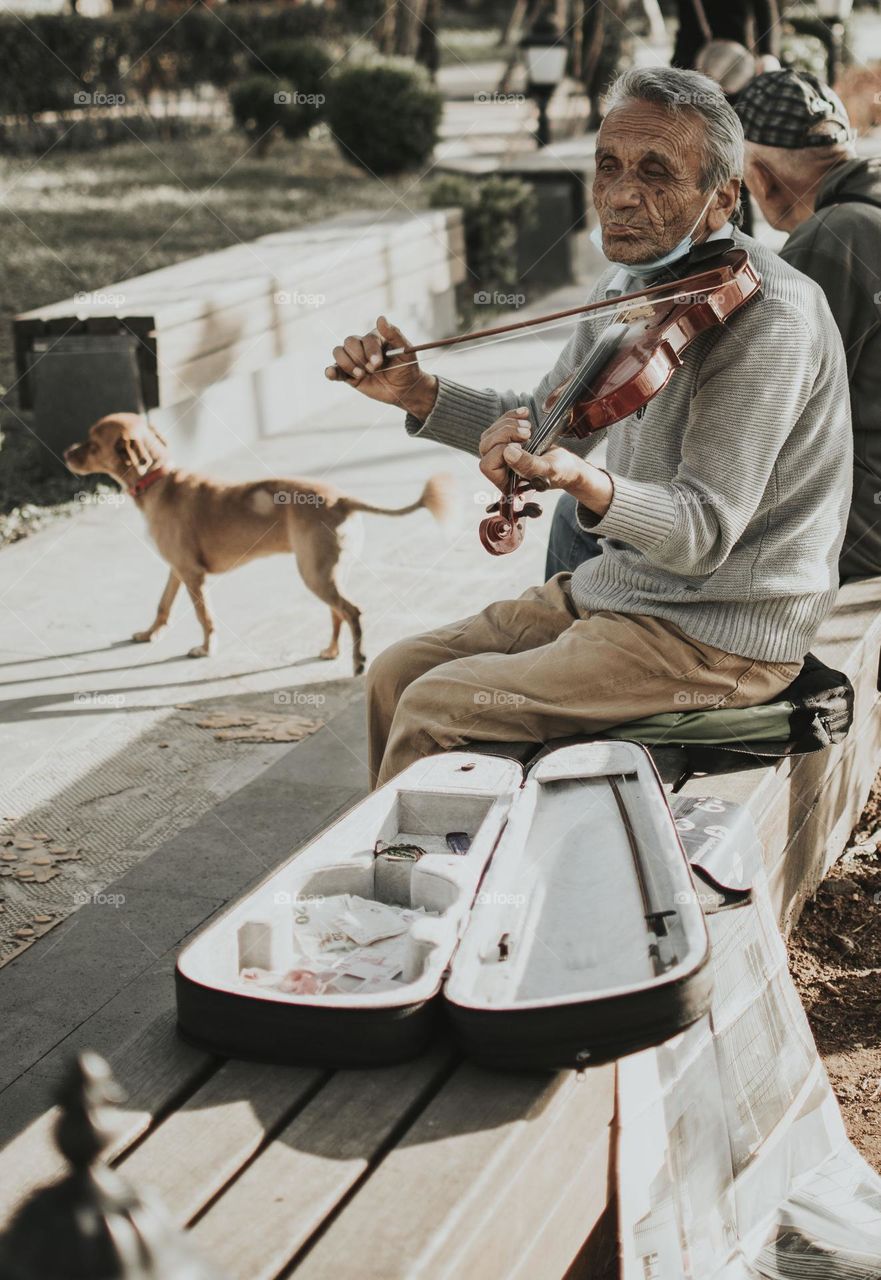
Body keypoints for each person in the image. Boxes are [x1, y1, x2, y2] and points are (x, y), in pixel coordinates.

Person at [326, 67, 852, 788]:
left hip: (718, 636)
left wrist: (584, 482)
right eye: (608, 167)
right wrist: (418, 392)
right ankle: (404, 863)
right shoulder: (632, 287)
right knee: (395, 673)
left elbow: (700, 532)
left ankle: (424, 884)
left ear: (720, 198)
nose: (621, 194)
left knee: (437, 708)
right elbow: (548, 428)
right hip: (622, 593)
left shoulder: (769, 319)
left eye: (656, 173)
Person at [736, 69, 881, 580]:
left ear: (759, 177)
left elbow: (766, 413)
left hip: (865, 525)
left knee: (594, 523)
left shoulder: (829, 238)